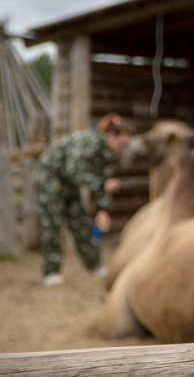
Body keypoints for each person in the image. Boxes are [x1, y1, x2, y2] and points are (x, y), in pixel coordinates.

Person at [32, 113, 135, 286]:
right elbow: (74, 171)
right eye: (122, 144)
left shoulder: (109, 154)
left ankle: (95, 266)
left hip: (70, 184)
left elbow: (103, 181)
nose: (122, 148)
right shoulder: (87, 141)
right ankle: (51, 271)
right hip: (50, 178)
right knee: (52, 224)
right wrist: (102, 184)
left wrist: (102, 210)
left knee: (81, 222)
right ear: (111, 135)